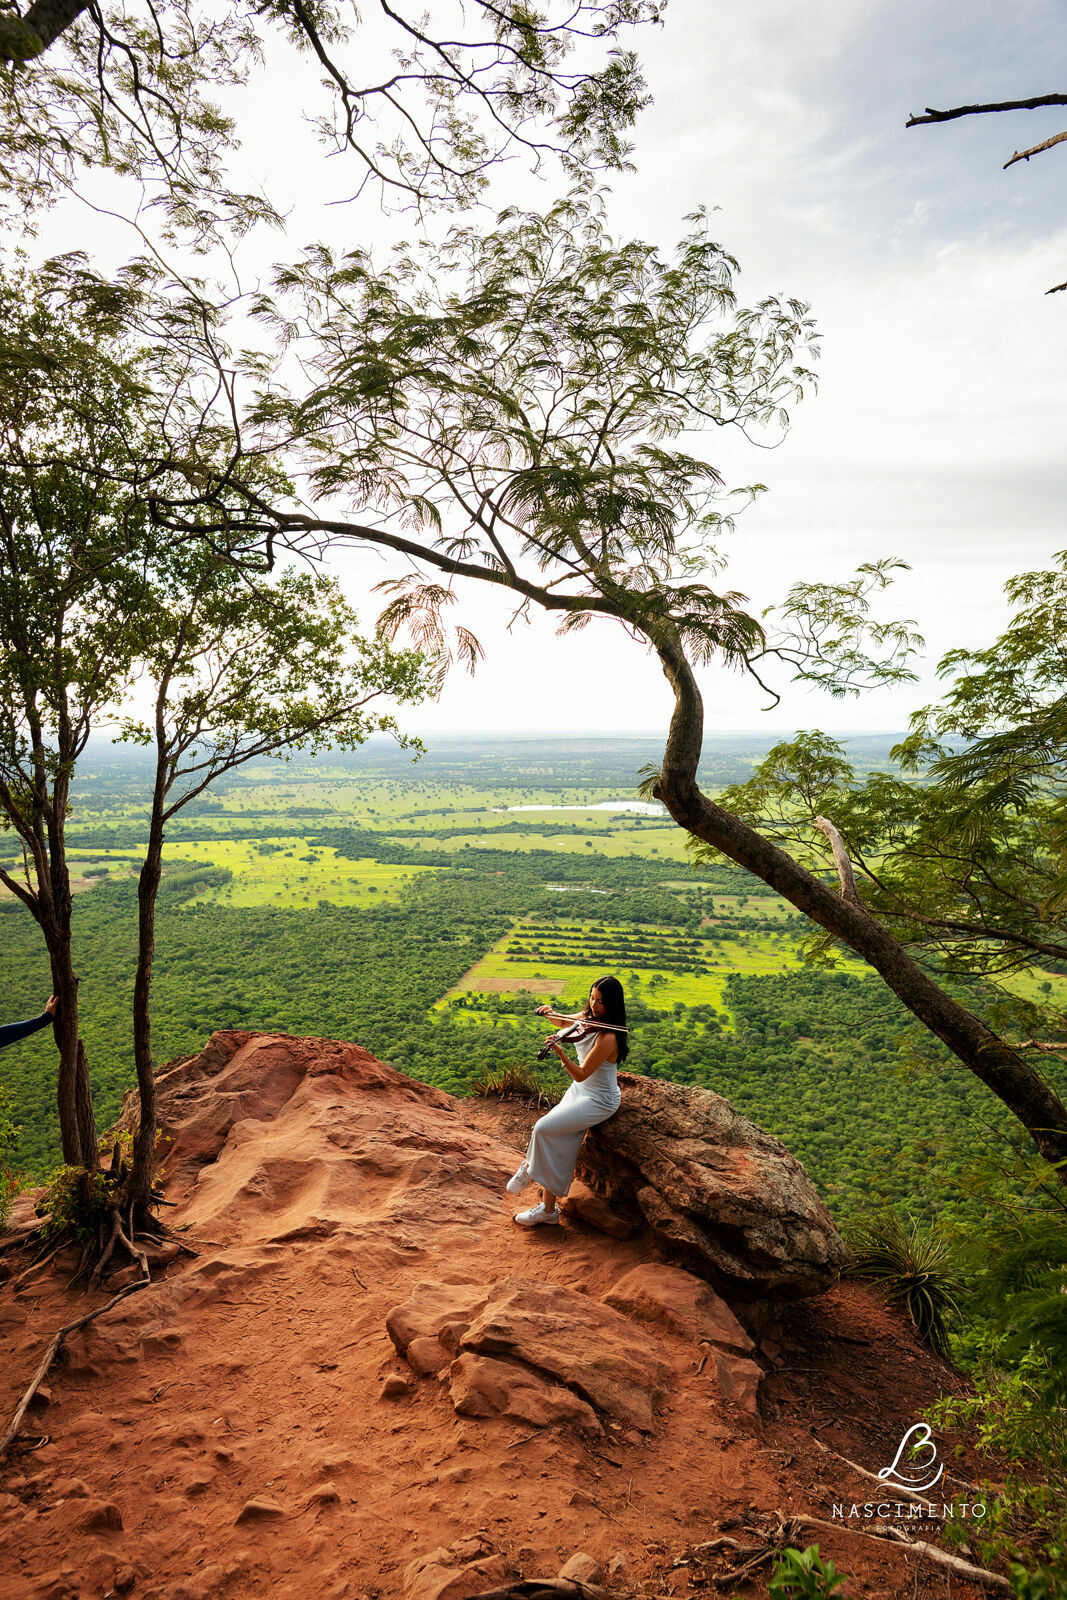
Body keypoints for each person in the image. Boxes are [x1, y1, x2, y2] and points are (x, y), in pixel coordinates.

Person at [507, 976, 628, 1228]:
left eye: (601, 1002)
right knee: (556, 1140)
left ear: (613, 1005)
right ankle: (548, 1211)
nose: (595, 1005)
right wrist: (550, 1013)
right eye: (592, 998)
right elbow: (565, 1022)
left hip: (599, 1099)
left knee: (542, 1128)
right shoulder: (588, 1019)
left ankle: (529, 1168)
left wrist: (561, 1053)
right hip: (579, 1092)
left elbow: (582, 1073)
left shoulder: (608, 1037)